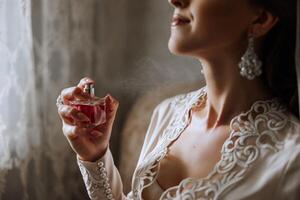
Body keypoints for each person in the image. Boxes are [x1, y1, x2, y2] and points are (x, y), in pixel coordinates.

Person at [57, 0, 300, 199]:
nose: (175, 0)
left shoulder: (291, 157)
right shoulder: (167, 113)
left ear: (260, 19)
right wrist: (96, 156)